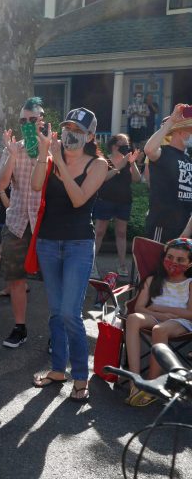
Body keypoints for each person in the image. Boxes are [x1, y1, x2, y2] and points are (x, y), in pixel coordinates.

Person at [31, 107, 108, 402]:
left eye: (77, 130)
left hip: (78, 244)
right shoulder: (51, 155)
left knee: (69, 313)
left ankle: (80, 375)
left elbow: (78, 200)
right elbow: (37, 185)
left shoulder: (98, 165)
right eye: (67, 128)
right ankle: (57, 370)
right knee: (54, 311)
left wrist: (59, 160)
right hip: (48, 242)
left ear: (89, 136)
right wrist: (43, 153)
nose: (69, 134)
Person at [0, 97, 45, 348]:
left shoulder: (54, 148)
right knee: (15, 278)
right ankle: (19, 327)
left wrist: (42, 150)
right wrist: (12, 155)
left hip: (46, 224)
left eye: (32, 120)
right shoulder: (13, 148)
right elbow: (1, 184)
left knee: (55, 281)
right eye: (23, 120)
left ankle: (57, 332)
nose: (27, 124)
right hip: (17, 222)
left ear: (41, 120)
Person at [124, 238, 192, 406]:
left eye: (180, 260)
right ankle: (135, 382)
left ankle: (152, 385)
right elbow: (139, 308)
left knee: (159, 330)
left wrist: (159, 308)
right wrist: (161, 314)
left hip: (181, 322)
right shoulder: (152, 280)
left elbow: (190, 313)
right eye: (169, 257)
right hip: (156, 317)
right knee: (132, 319)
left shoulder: (189, 284)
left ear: (190, 264)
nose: (173, 262)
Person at [92, 134, 141, 278]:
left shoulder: (128, 161)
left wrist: (132, 163)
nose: (127, 147)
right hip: (105, 200)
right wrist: (120, 165)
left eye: (128, 144)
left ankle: (122, 264)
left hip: (124, 201)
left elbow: (137, 179)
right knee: (99, 231)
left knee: (121, 233)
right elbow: (103, 179)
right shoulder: (104, 160)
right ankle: (92, 262)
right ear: (114, 146)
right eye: (124, 144)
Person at [143, 104, 192, 242]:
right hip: (162, 226)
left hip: (184, 228)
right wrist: (171, 121)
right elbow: (149, 150)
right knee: (156, 263)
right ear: (180, 132)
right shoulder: (164, 152)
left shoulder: (188, 159)